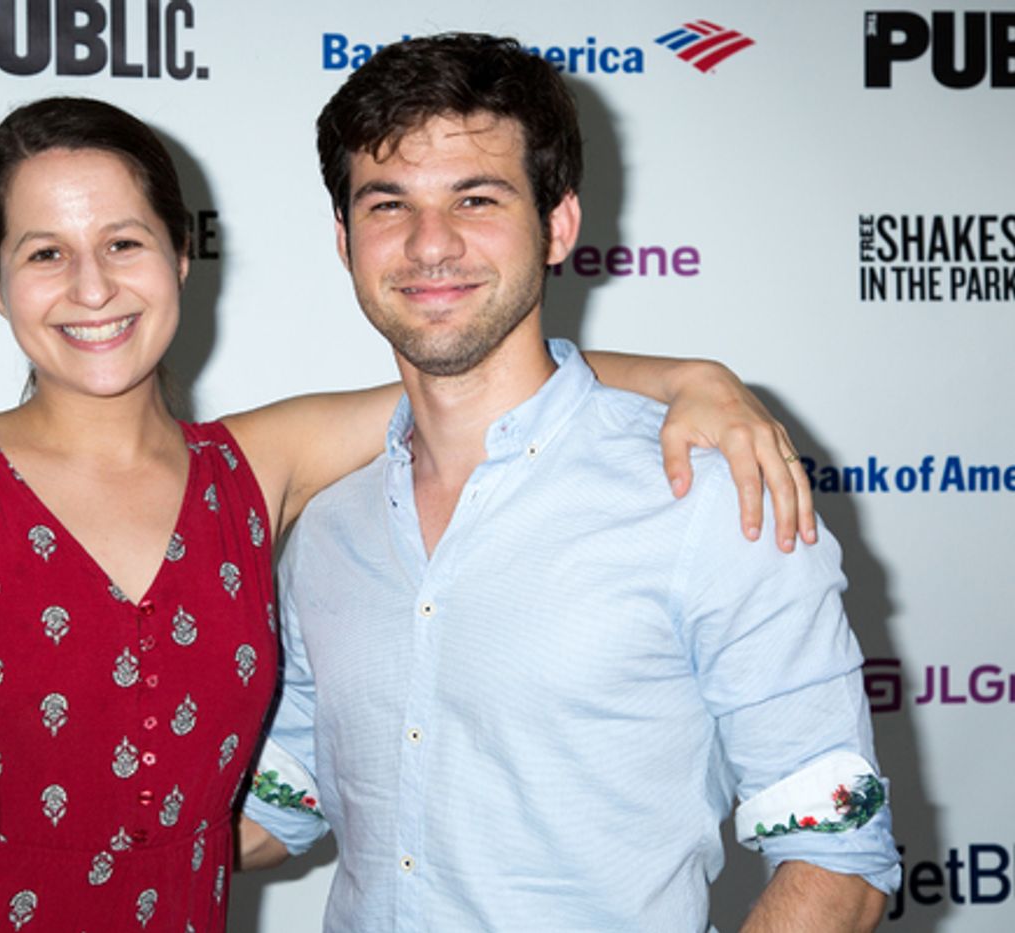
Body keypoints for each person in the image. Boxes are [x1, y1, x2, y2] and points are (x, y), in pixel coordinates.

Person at [0, 97, 810, 932]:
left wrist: (690, 377)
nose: (90, 286)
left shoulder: (255, 469)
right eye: (43, 253)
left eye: (123, 242)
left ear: (180, 255)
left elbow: (480, 363)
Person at [236, 33, 900, 932]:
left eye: (477, 198)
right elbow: (289, 794)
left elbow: (838, 861)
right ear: (345, 237)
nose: (431, 244)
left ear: (558, 225)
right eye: (389, 203)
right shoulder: (328, 526)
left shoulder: (710, 496)